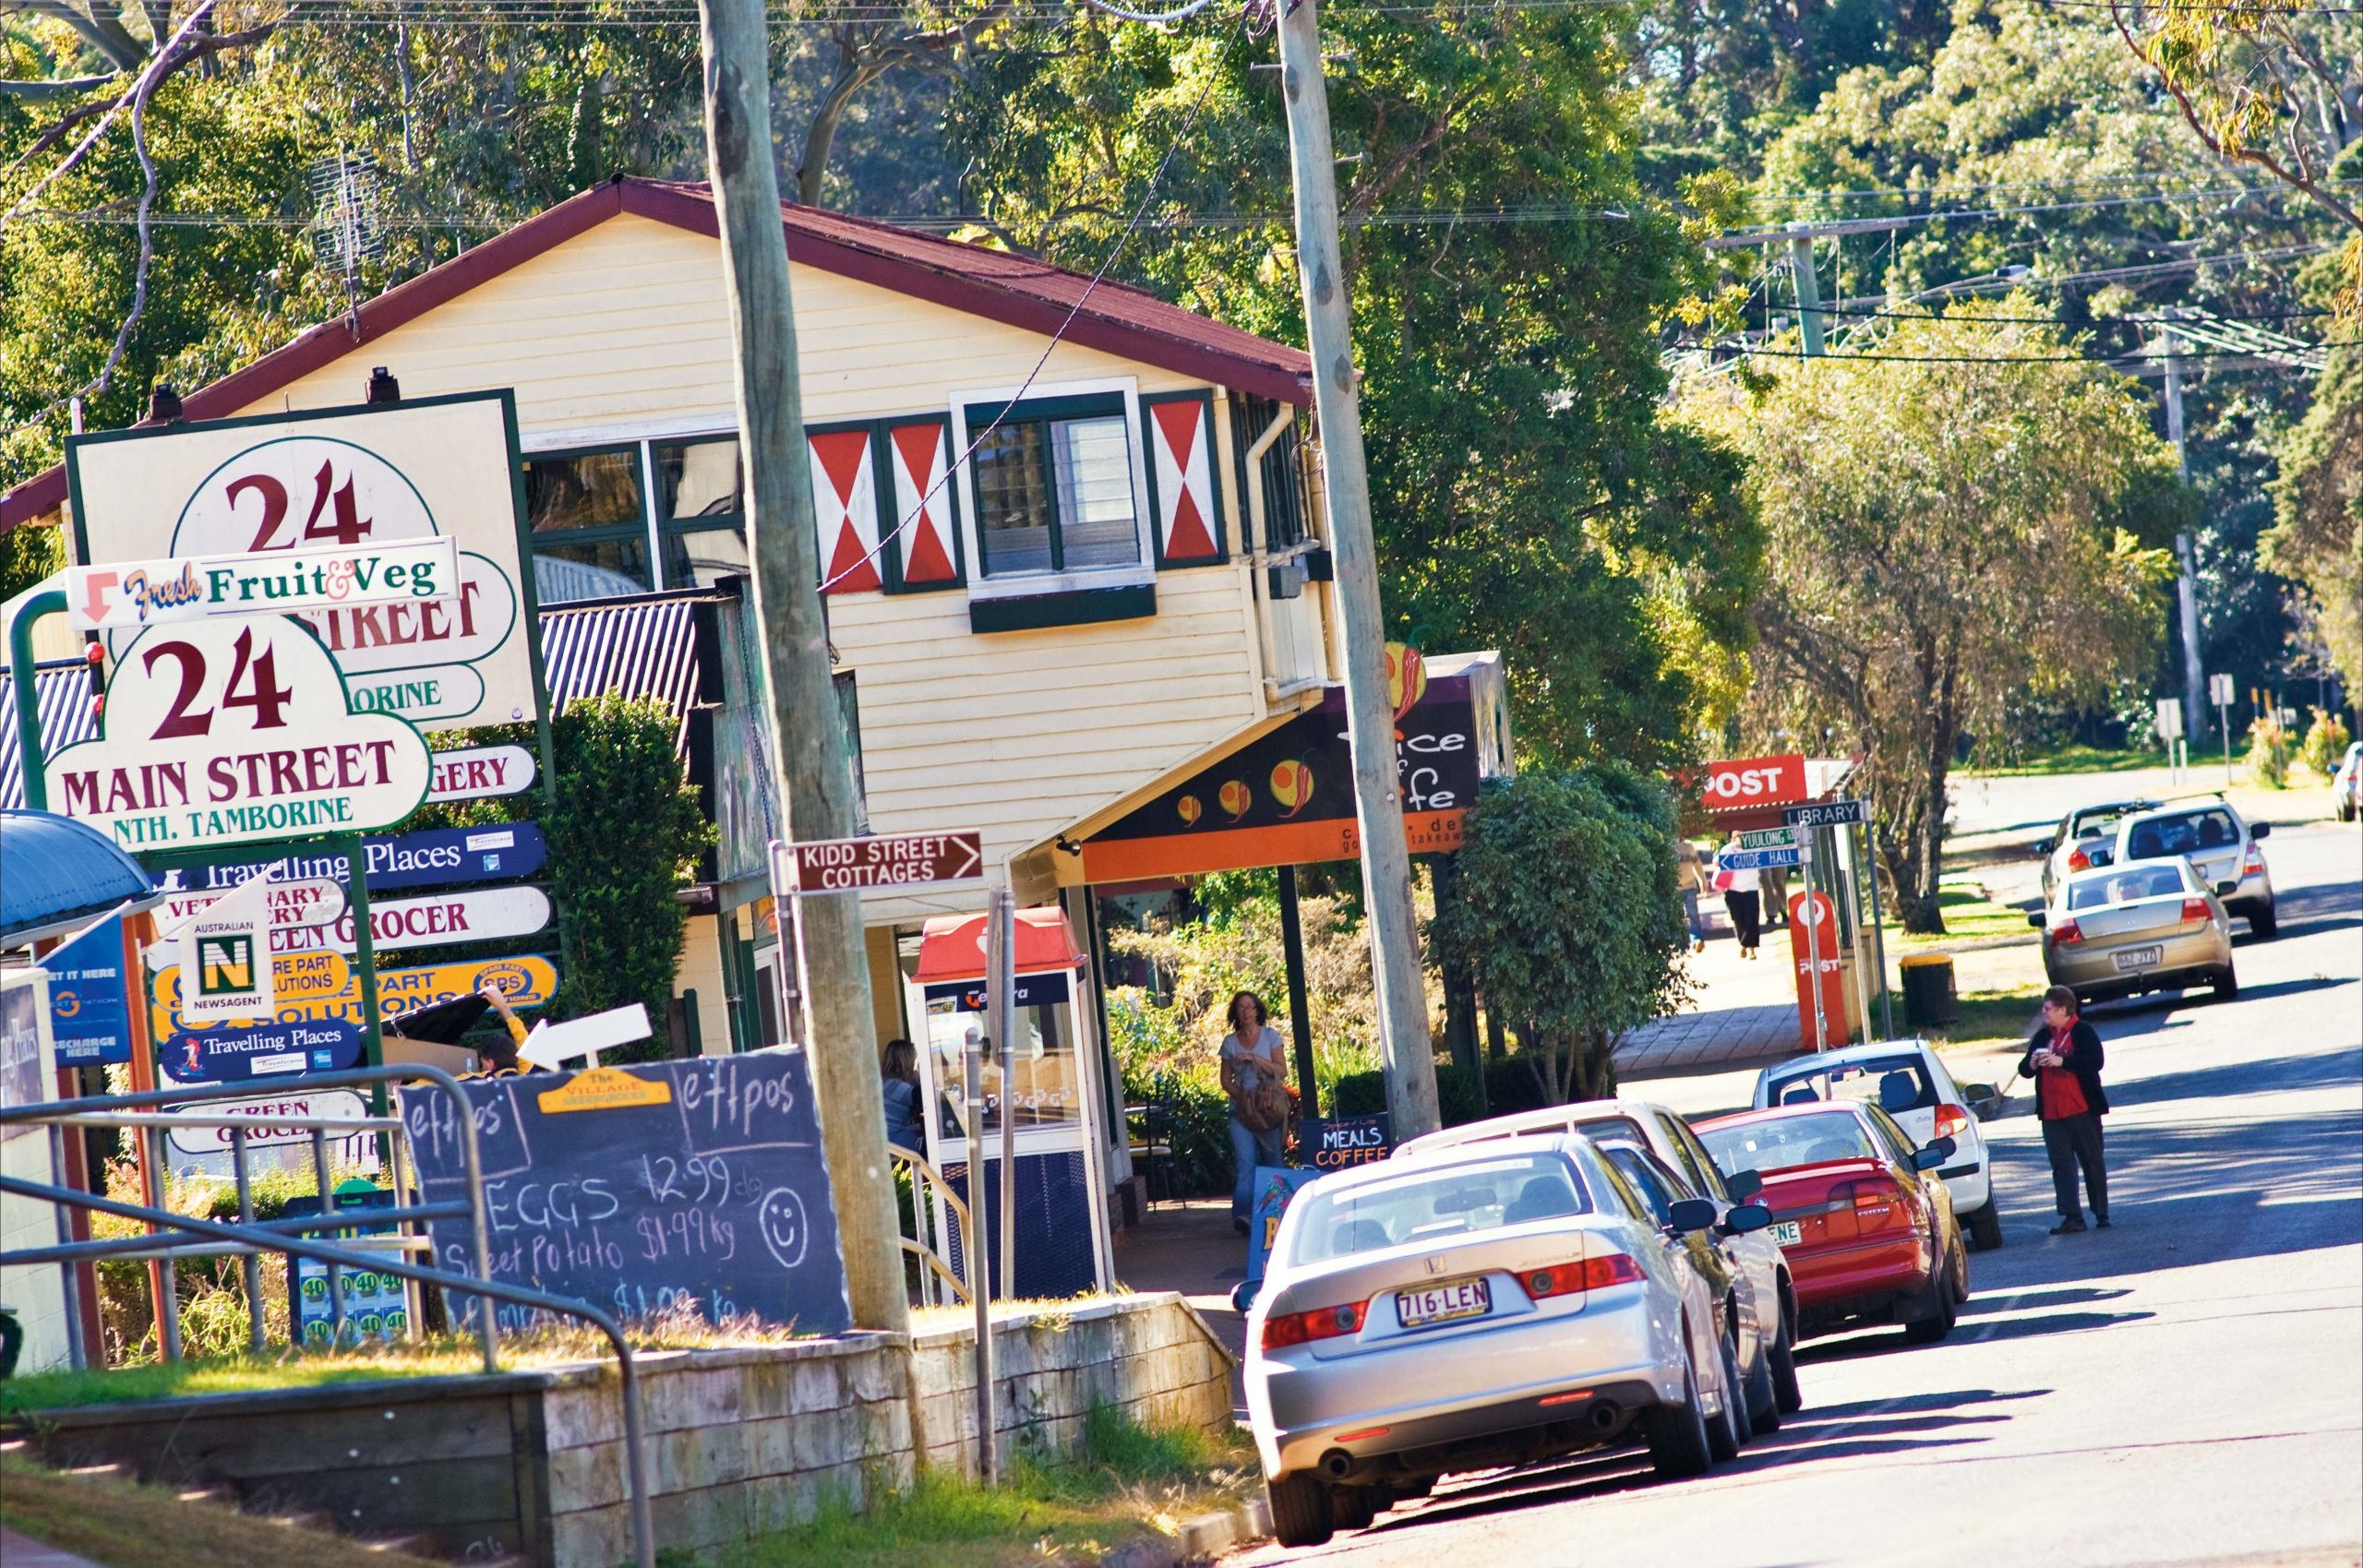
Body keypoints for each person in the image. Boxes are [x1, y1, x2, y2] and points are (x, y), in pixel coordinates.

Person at [2019, 986, 2110, 1233]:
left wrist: (2063, 1061)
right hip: (2052, 1112)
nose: (2044, 1013)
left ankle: (2101, 1212)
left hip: (2082, 1108)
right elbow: (2025, 1070)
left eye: (2048, 1008)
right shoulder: (2042, 1036)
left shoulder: (2082, 1031)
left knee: (2091, 1160)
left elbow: (2095, 1061)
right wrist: (2034, 1062)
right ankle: (2072, 1216)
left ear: (2062, 1009)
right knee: (2061, 1163)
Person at [1219, 990, 1289, 1235]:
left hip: (1269, 1108)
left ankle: (1279, 1215)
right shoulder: (1229, 1043)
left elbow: (1282, 1071)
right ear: (1235, 1013)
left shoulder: (1270, 1037)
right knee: (1246, 1162)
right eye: (1241, 1008)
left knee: (1274, 1160)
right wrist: (1244, 1099)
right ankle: (1244, 1216)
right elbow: (1225, 1080)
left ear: (1258, 1010)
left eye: (1250, 1007)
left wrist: (1255, 1059)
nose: (1246, 1012)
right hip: (1241, 1111)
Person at [1721, 842, 1764, 959]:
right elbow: (1718, 863)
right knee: (1738, 921)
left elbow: (1766, 856)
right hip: (1733, 891)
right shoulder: (1727, 849)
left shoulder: (1754, 846)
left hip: (1751, 889)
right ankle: (1743, 944)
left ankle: (1752, 951)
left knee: (1752, 921)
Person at [881, 1037, 924, 1152]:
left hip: (891, 1136)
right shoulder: (893, 1084)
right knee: (927, 1143)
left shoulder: (887, 1081)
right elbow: (920, 1097)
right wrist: (920, 1080)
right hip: (892, 1138)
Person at [1675, 839, 1709, 954]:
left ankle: (1697, 940)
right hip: (1674, 888)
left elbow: (1697, 865)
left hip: (1690, 886)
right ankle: (1681, 943)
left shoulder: (1689, 847)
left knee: (1692, 913)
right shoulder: (1666, 847)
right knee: (1678, 917)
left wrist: (1703, 881)